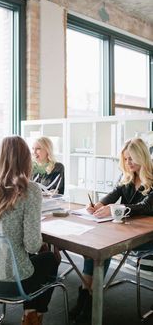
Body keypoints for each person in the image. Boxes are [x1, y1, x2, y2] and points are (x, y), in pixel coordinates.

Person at [0, 136, 59, 325]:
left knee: (32, 258)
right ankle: (32, 313)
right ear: (26, 159)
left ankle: (31, 313)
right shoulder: (30, 190)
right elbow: (33, 245)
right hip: (10, 283)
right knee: (51, 258)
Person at [70, 137, 153, 324]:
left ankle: (89, 299)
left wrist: (119, 208)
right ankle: (87, 294)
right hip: (127, 231)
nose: (128, 163)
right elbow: (114, 194)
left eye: (131, 158)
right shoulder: (127, 177)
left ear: (142, 156)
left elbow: (146, 206)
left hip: (147, 237)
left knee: (103, 251)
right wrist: (99, 204)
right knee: (97, 247)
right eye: (125, 159)